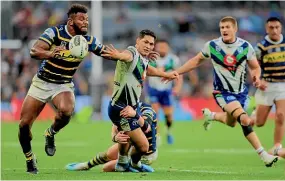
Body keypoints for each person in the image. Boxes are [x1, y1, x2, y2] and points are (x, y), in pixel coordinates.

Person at [168, 16, 278, 167]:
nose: (224, 30)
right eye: (222, 27)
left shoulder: (245, 47)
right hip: (222, 93)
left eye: (227, 27)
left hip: (241, 93)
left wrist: (256, 77)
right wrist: (177, 72)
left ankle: (211, 115)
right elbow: (195, 61)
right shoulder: (212, 46)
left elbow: (255, 67)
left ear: (235, 29)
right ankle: (264, 155)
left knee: (231, 122)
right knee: (245, 120)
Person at [18, 4, 108, 174]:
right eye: (81, 19)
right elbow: (34, 51)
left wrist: (129, 57)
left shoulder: (87, 40)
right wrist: (51, 53)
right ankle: (30, 158)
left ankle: (50, 133)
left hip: (63, 84)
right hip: (42, 82)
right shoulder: (55, 33)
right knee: (23, 126)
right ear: (70, 20)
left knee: (67, 111)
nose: (85, 22)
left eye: (87, 19)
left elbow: (106, 52)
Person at [101, 29, 179, 172]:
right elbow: (126, 56)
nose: (148, 46)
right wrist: (117, 55)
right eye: (145, 42)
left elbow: (148, 70)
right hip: (121, 107)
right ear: (137, 41)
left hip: (130, 106)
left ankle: (122, 163)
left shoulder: (143, 59)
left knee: (127, 138)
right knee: (143, 147)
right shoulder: (131, 52)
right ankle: (130, 164)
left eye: (151, 44)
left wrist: (165, 74)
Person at [65, 103, 158, 172]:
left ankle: (134, 166)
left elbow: (147, 128)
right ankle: (86, 165)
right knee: (109, 154)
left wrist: (135, 115)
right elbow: (115, 125)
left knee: (106, 168)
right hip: (132, 144)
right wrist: (115, 137)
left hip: (146, 153)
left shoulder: (146, 109)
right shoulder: (124, 107)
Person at [251, 17, 285, 155]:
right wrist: (258, 79)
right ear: (266, 29)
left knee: (281, 115)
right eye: (271, 28)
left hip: (282, 85)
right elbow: (252, 65)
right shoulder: (260, 47)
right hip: (267, 86)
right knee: (259, 123)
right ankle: (254, 112)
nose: (275, 30)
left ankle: (277, 146)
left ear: (281, 27)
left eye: (277, 27)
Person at [146, 40, 183, 144]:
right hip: (153, 90)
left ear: (168, 48)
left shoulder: (173, 59)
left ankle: (169, 131)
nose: (162, 49)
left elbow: (179, 74)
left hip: (167, 90)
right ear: (155, 48)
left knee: (169, 116)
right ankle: (156, 135)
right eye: (160, 47)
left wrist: (178, 87)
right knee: (154, 113)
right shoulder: (151, 58)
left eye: (164, 47)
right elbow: (144, 72)